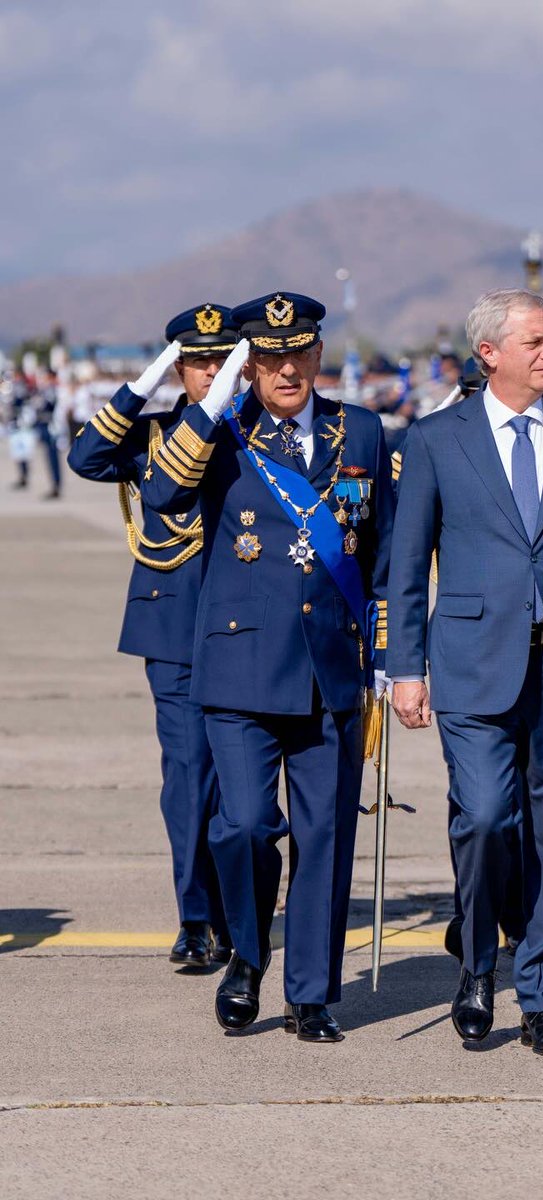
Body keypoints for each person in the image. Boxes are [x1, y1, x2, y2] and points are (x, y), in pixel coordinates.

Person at [388, 288, 543, 1057]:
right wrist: (404, 666)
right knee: (486, 816)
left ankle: (538, 994)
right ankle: (475, 961)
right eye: (533, 341)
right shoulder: (437, 439)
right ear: (489, 353)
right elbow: (407, 563)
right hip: (469, 661)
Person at [141, 292, 394, 1043]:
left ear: (317, 354)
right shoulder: (222, 433)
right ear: (250, 363)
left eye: (300, 353)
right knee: (246, 826)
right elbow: (160, 493)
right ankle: (247, 955)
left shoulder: (363, 432)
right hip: (241, 665)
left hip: (329, 674)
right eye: (271, 356)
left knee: (324, 839)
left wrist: (385, 654)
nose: (287, 368)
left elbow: (378, 553)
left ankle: (310, 993)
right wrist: (213, 402)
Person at [67, 306, 236, 969]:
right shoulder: (156, 433)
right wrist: (150, 376)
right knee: (190, 775)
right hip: (173, 629)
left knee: (246, 787)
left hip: (248, 627)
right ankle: (198, 916)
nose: (210, 372)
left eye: (222, 360)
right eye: (196, 361)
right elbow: (86, 455)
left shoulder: (257, 434)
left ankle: (238, 906)